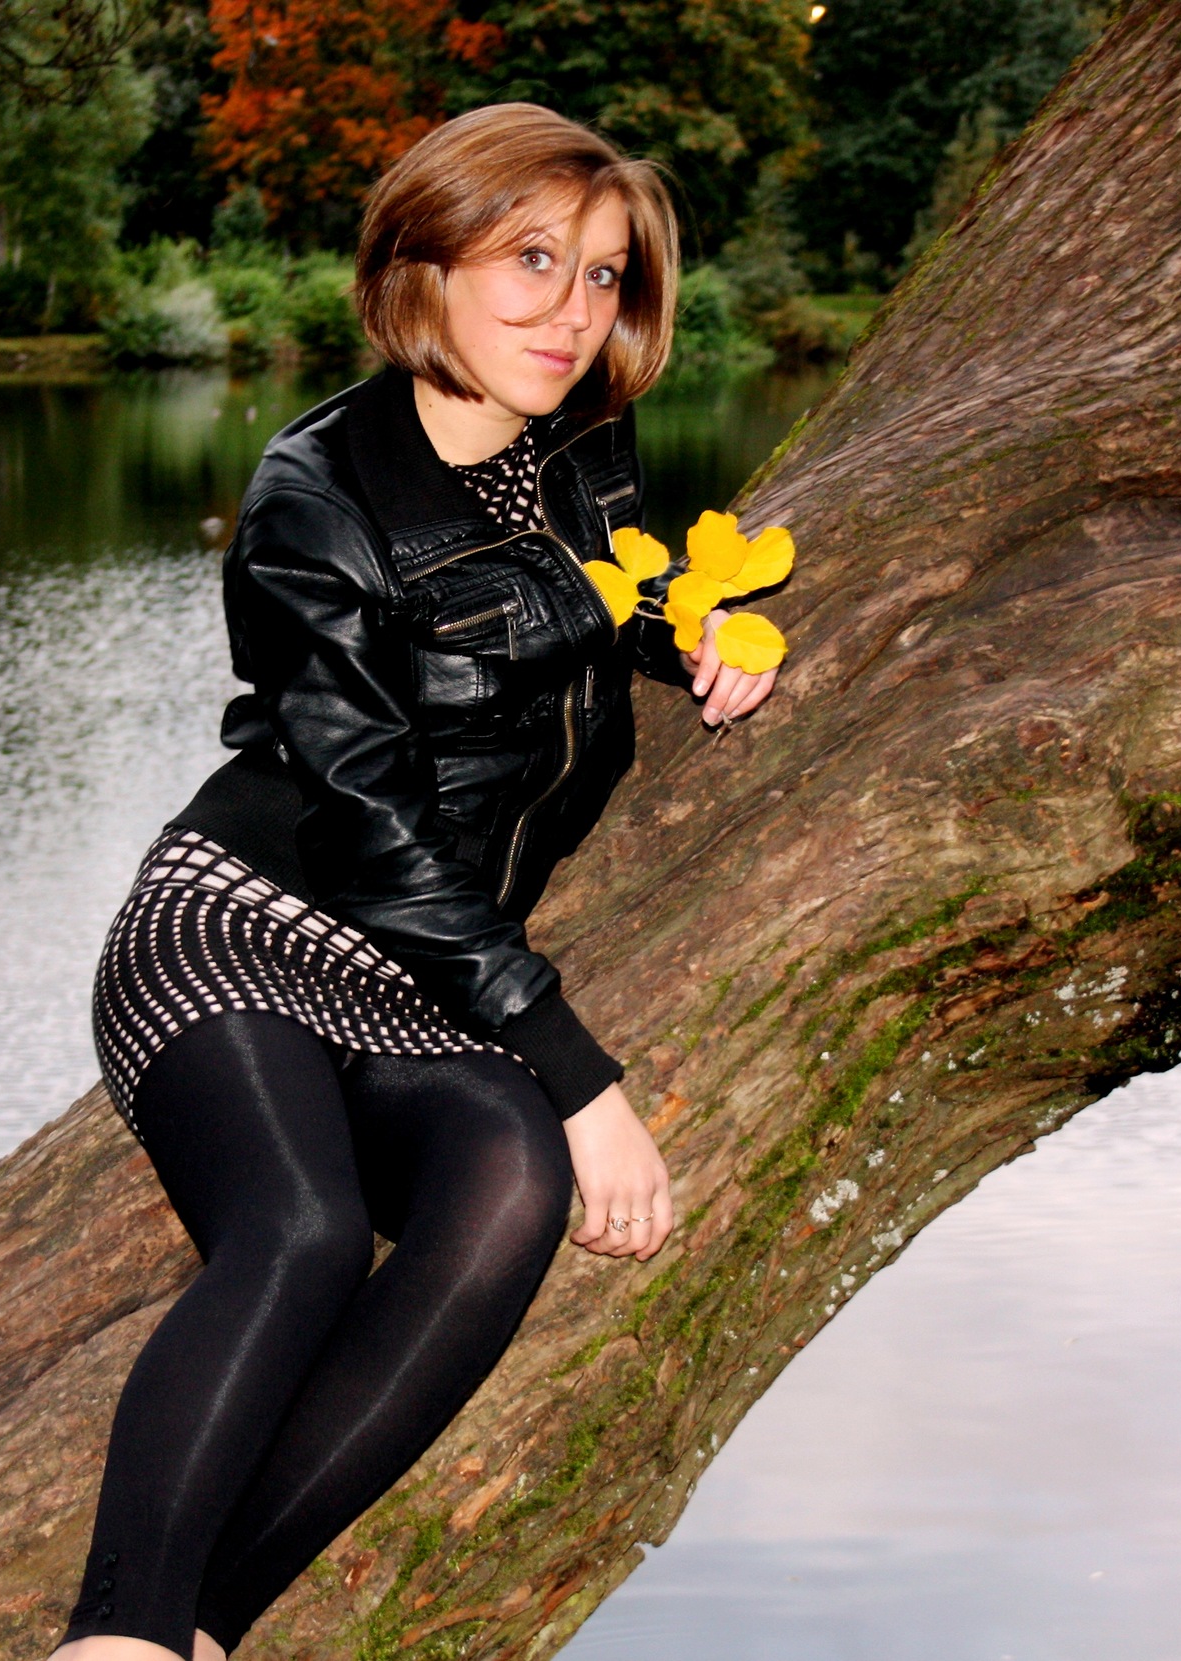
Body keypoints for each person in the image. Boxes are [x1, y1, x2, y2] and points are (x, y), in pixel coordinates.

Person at [52, 103, 782, 1661]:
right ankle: (114, 1636)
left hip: (417, 972)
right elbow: (371, 827)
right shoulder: (313, 498)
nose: (572, 311)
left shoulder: (579, 450)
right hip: (245, 925)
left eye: (602, 273)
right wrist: (578, 1069)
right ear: (423, 265)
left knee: (507, 1178)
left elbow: (599, 599)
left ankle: (205, 1629)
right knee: (306, 1228)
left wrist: (695, 632)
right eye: (532, 261)